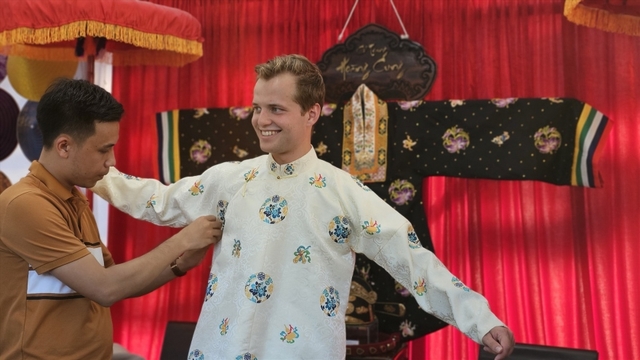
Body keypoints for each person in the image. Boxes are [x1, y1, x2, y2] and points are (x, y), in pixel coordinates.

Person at [92, 54, 515, 359]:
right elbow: (156, 201)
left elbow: (412, 260)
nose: (261, 119)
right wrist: (85, 170)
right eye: (258, 107)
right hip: (218, 348)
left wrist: (481, 321)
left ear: (312, 113)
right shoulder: (229, 179)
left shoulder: (341, 191)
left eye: (277, 109)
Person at [0, 79, 223, 359]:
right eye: (103, 149)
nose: (112, 161)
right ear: (64, 146)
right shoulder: (26, 204)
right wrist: (182, 240)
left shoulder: (75, 200)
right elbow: (105, 288)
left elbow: (118, 282)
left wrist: (179, 265)